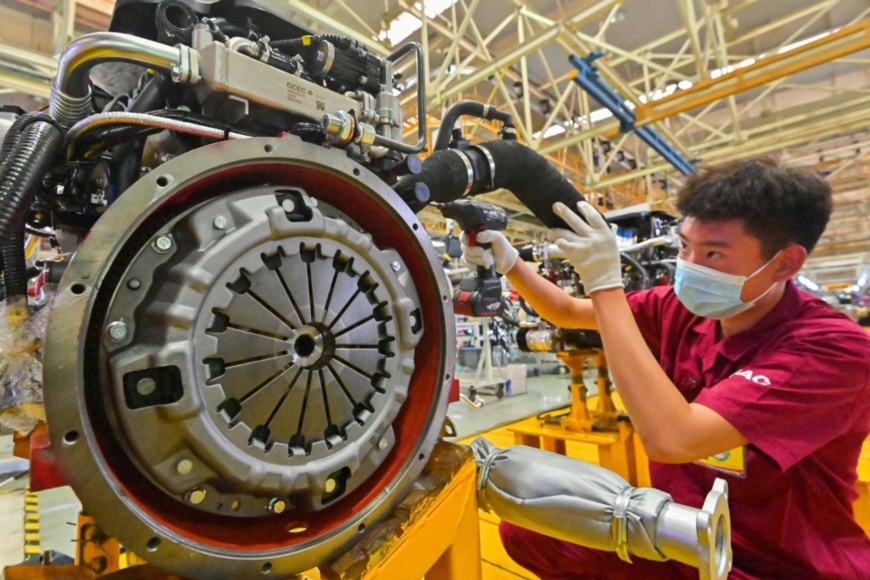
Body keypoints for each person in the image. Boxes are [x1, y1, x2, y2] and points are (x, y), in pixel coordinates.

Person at [462, 157, 870, 579]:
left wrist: (606, 284)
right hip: (681, 539)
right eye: (684, 246)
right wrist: (510, 263)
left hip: (776, 563)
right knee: (530, 534)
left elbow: (673, 439)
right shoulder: (679, 309)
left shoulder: (834, 349)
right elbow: (566, 310)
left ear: (785, 264)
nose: (690, 266)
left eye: (713, 253)